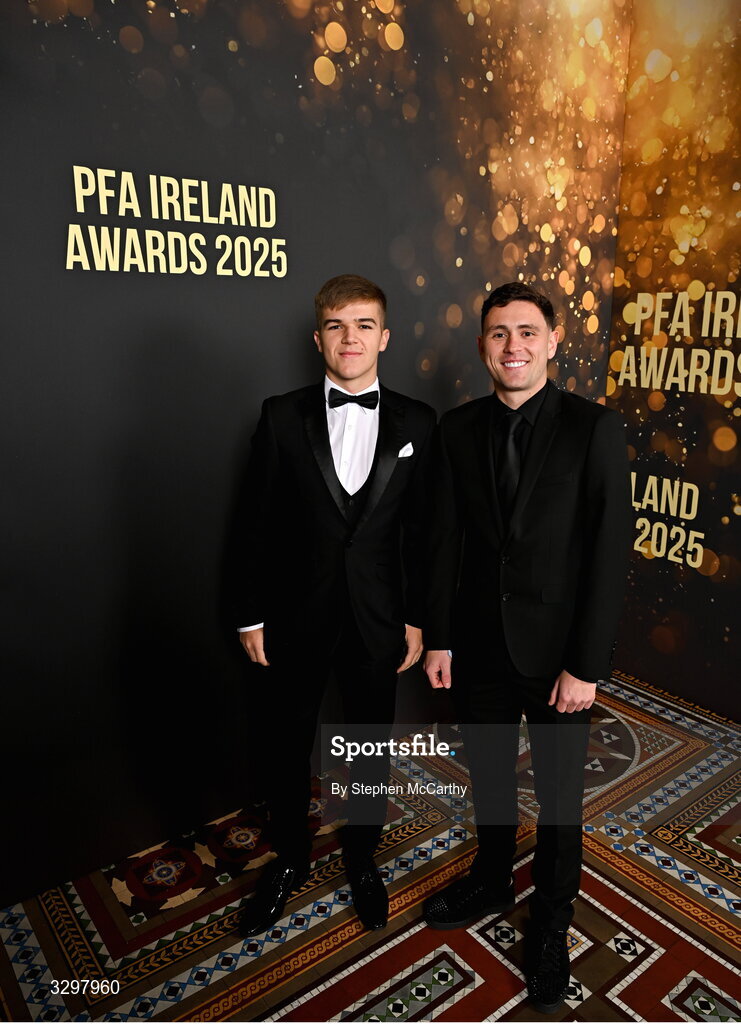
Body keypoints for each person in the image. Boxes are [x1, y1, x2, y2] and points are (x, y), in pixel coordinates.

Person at [423, 281, 630, 1013]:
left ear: (552, 340)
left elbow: (607, 555)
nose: (512, 346)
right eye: (498, 334)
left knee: (560, 800)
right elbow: (444, 541)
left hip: (557, 662)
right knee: (487, 776)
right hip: (476, 648)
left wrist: (587, 665)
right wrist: (439, 639)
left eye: (526, 332)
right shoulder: (456, 429)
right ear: (482, 346)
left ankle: (549, 922)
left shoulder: (592, 428)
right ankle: (489, 877)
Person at [233, 274, 435, 936]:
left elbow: (420, 531)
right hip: (294, 614)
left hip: (379, 618)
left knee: (370, 740)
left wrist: (416, 617)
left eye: (363, 325)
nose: (350, 338)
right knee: (288, 742)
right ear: (317, 337)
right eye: (336, 326)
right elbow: (253, 523)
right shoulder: (279, 414)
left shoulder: (416, 421)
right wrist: (250, 612)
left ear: (384, 336)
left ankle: (361, 854)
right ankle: (290, 855)